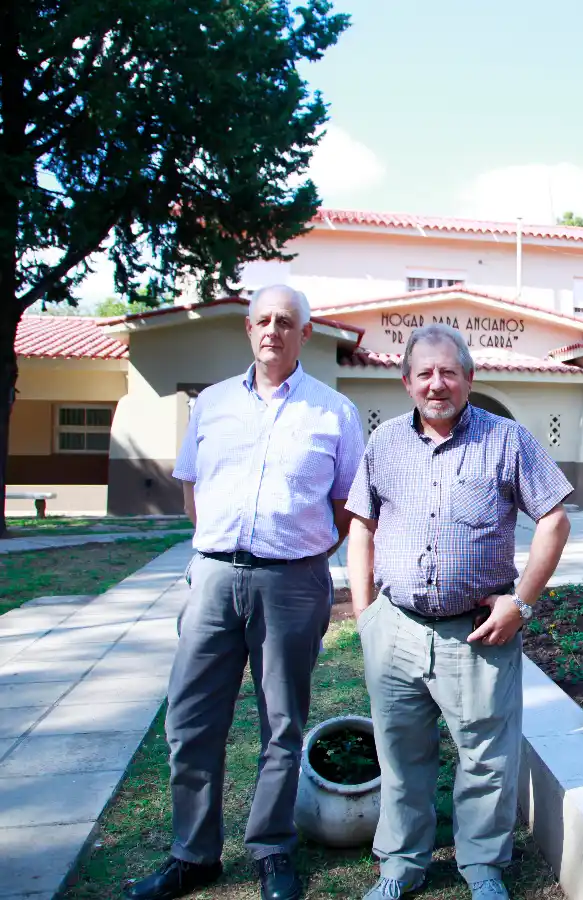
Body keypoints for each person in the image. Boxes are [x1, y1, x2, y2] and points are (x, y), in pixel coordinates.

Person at [125, 285, 366, 900]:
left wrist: (301, 551)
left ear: (305, 334)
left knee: (282, 724)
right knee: (190, 719)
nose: (272, 331)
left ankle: (271, 849)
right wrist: (220, 547)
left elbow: (348, 505)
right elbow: (191, 490)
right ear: (248, 330)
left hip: (292, 581)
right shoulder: (211, 405)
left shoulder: (332, 411)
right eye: (262, 320)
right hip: (212, 577)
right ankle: (193, 853)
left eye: (286, 322)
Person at [346, 323, 572, 900]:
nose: (437, 384)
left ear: (469, 378)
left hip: (477, 635)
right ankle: (400, 863)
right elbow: (362, 528)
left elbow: (554, 518)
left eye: (449, 372)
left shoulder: (507, 439)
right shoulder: (383, 445)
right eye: (424, 373)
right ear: (406, 382)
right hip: (394, 628)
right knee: (400, 753)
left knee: (486, 757)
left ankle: (482, 867)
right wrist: (365, 613)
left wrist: (521, 603)